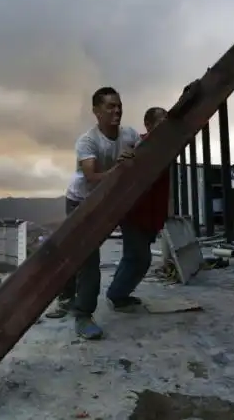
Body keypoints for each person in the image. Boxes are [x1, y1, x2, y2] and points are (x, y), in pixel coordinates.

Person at [44, 86, 140, 340]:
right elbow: (91, 176)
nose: (117, 110)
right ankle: (82, 313)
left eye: (119, 105)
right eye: (110, 106)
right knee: (87, 258)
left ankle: (71, 298)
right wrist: (119, 168)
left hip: (107, 201)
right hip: (81, 201)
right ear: (96, 112)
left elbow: (147, 146)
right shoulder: (87, 141)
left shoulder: (129, 134)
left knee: (80, 253)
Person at [105, 107, 170, 312]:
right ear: (148, 125)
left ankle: (118, 293)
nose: (165, 125)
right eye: (161, 121)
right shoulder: (139, 145)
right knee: (141, 258)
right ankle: (117, 295)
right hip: (134, 212)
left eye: (167, 121)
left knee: (131, 256)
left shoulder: (166, 147)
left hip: (151, 213)